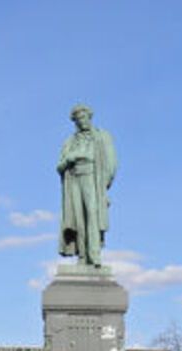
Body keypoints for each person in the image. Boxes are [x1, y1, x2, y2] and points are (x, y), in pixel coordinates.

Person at [57, 104, 117, 267]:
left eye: (83, 117)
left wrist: (103, 186)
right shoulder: (71, 141)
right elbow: (59, 166)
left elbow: (111, 163)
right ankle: (82, 256)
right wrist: (70, 159)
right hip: (74, 179)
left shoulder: (102, 136)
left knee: (92, 215)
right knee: (78, 218)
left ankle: (94, 255)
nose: (81, 121)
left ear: (89, 117)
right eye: (77, 119)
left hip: (93, 177)